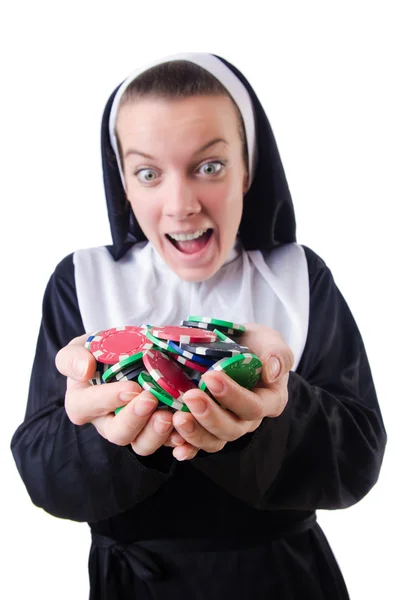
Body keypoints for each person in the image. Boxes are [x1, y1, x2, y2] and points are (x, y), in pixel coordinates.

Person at [10, 52, 387, 600]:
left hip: (284, 581)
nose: (181, 204)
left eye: (209, 166)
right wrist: (105, 434)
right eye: (148, 173)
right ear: (123, 185)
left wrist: (268, 404)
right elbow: (41, 474)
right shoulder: (81, 280)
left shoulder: (299, 276)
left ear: (248, 168)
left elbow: (357, 458)